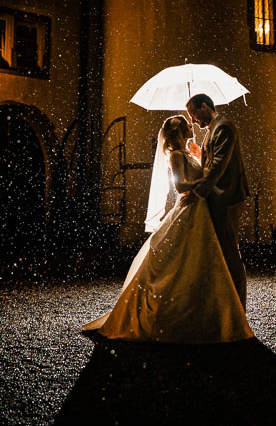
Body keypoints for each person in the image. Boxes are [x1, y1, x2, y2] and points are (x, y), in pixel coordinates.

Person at [82, 115, 252, 343]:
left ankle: (205, 307)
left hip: (200, 210)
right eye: (188, 124)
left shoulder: (187, 152)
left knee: (201, 260)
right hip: (191, 207)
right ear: (180, 131)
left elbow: (201, 171)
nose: (192, 125)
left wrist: (199, 159)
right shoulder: (175, 156)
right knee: (181, 261)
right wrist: (200, 186)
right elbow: (180, 185)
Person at [181, 93, 250, 308]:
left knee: (229, 250)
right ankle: (225, 300)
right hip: (218, 197)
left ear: (204, 107)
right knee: (221, 248)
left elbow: (219, 165)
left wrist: (199, 192)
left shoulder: (224, 127)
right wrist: (198, 153)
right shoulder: (213, 129)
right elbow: (211, 161)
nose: (193, 120)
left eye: (193, 114)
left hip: (227, 197)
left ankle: (238, 304)